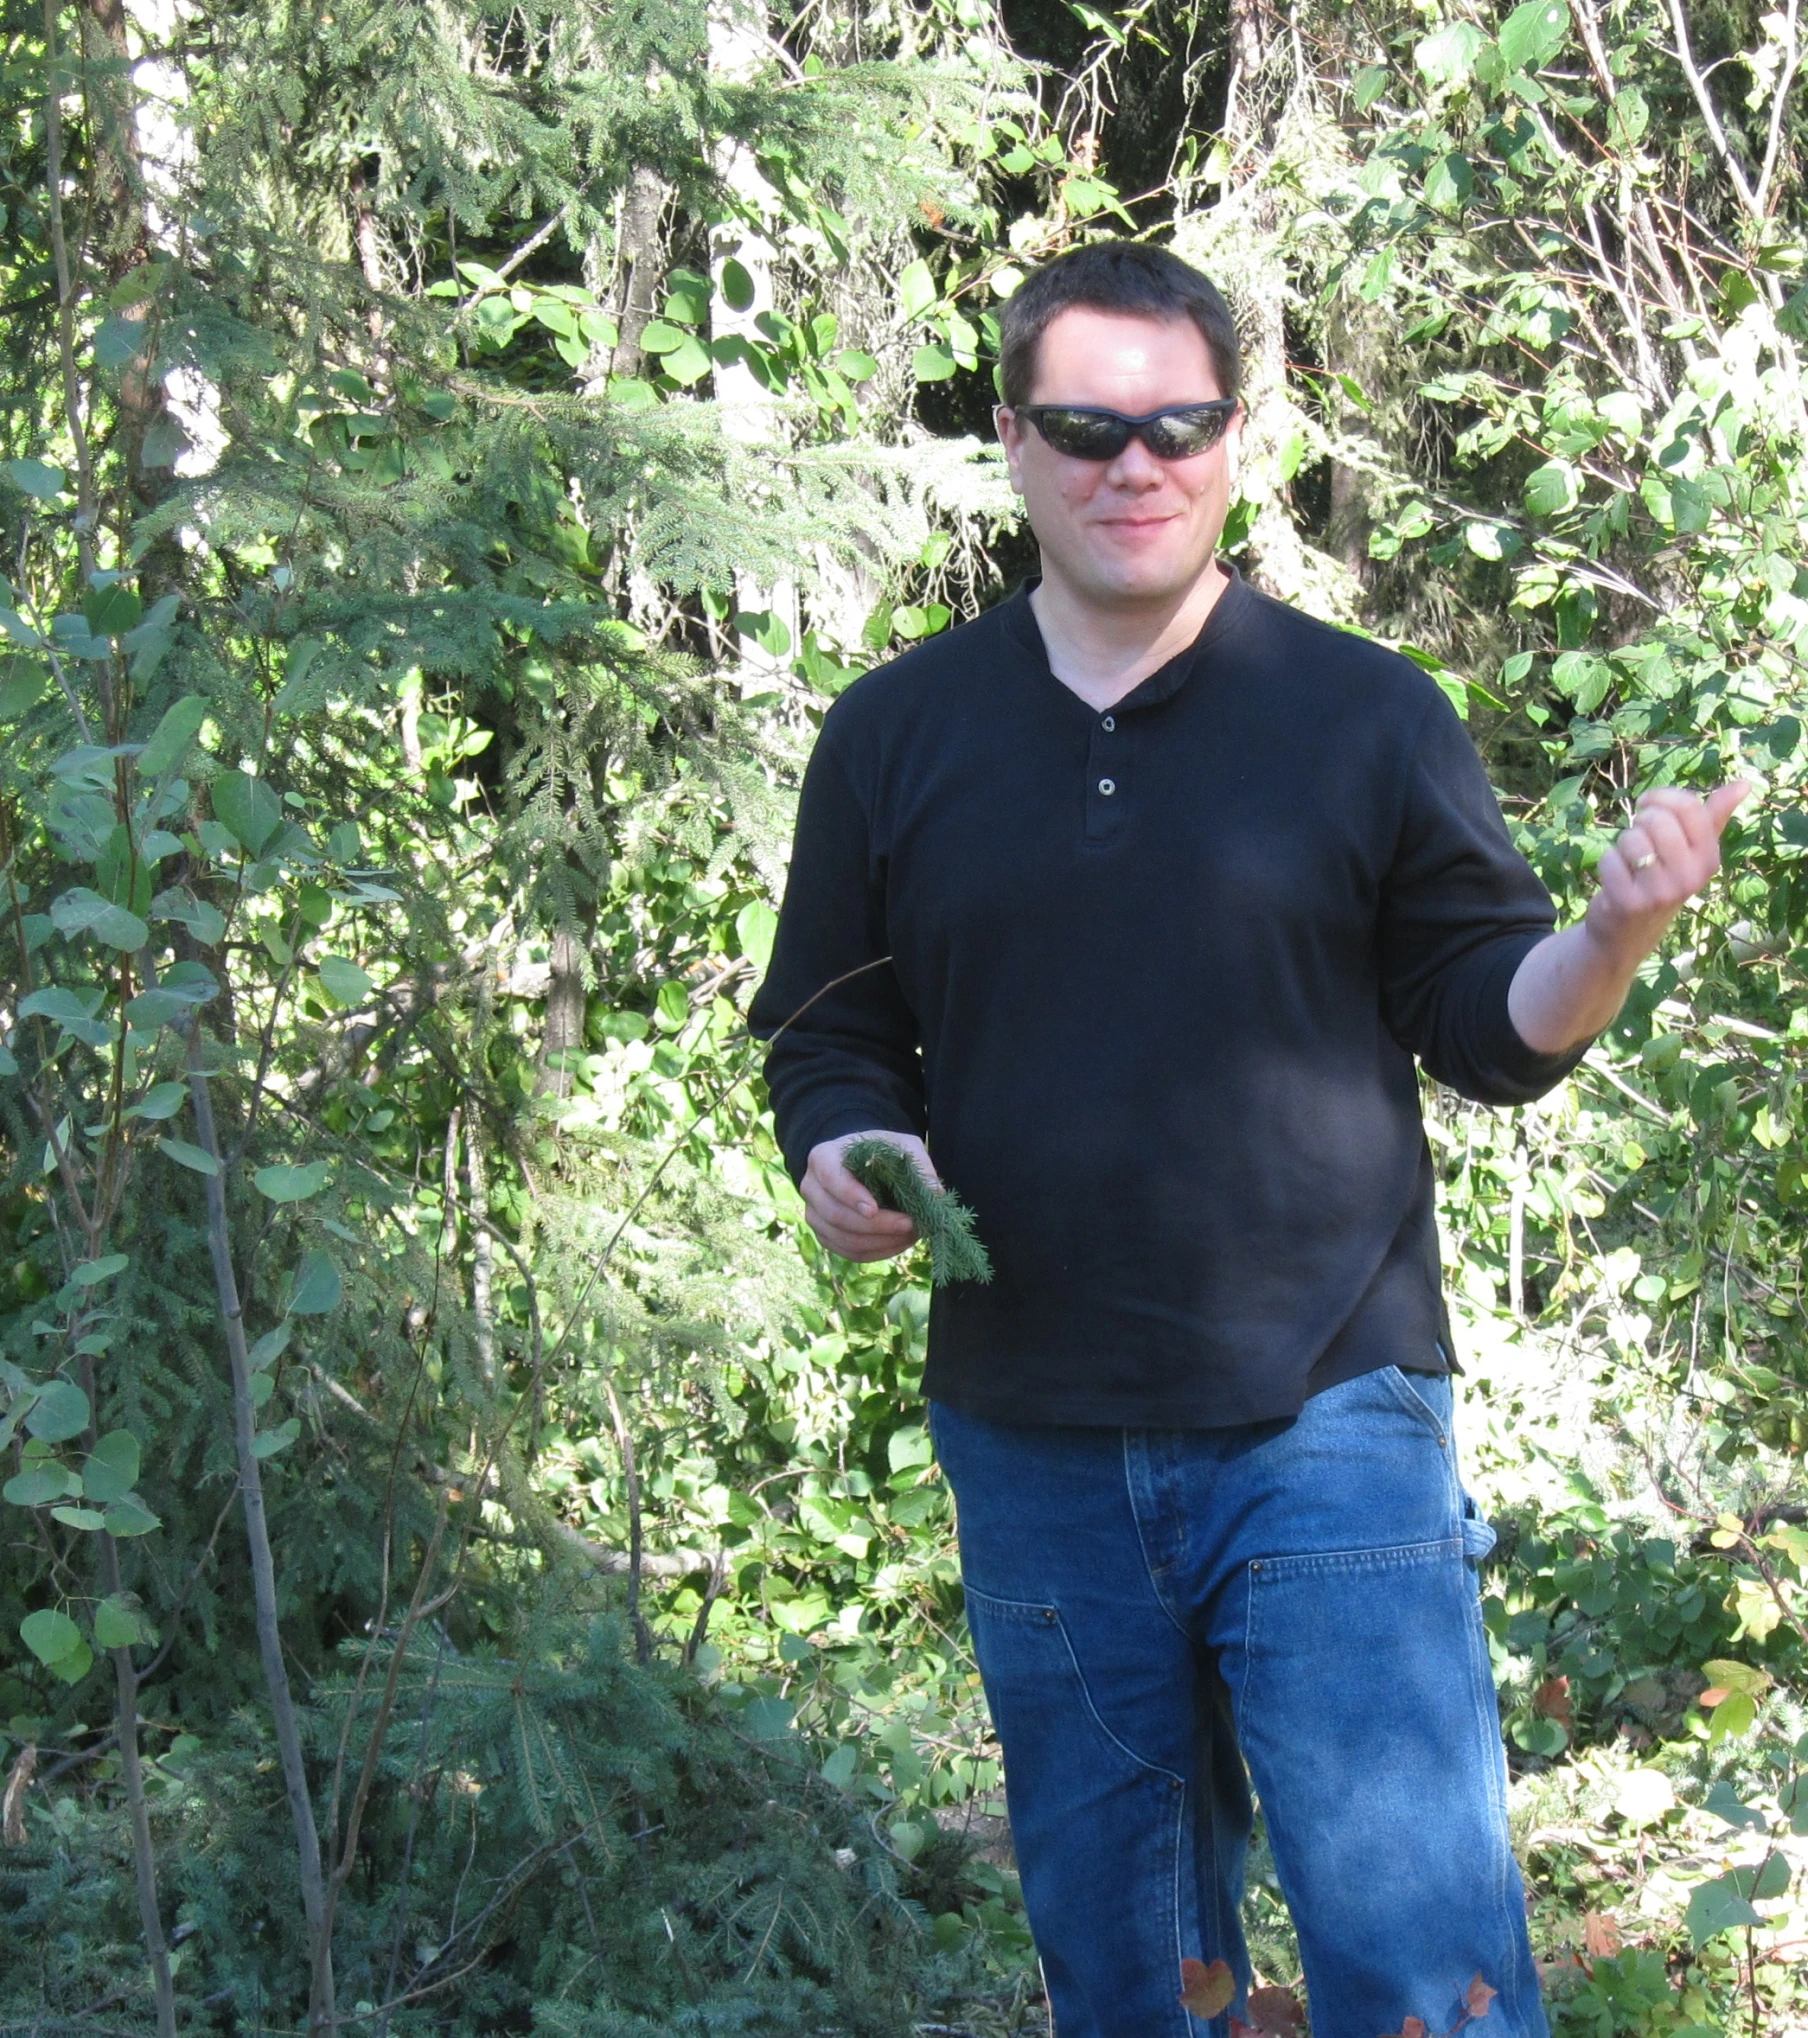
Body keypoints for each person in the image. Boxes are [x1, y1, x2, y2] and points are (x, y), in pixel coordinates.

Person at [748, 241, 1745, 2038]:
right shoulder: (898, 732)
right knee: (1134, 1979)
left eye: (1176, 424)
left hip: (1332, 1421)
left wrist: (1607, 940)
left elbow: (1482, 1021)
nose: (1133, 464)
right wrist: (846, 1152)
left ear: (1231, 442)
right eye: (1086, 425)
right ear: (1014, 441)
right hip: (1035, 1431)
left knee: (1419, 1973)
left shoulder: (1362, 715)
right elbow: (833, 1032)